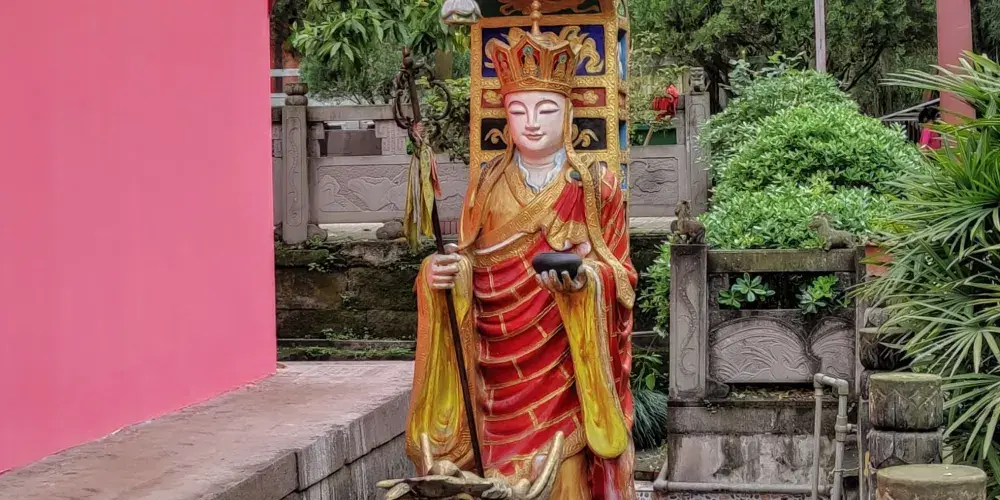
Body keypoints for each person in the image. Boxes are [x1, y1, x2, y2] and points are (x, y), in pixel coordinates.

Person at [403, 10, 637, 500]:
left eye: (546, 110)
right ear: (504, 115)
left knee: (565, 483)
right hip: (495, 381)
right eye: (518, 110)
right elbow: (468, 258)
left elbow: (623, 277)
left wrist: (587, 281)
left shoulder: (597, 187)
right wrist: (441, 274)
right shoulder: (485, 185)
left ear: (568, 114)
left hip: (565, 372)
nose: (531, 123)